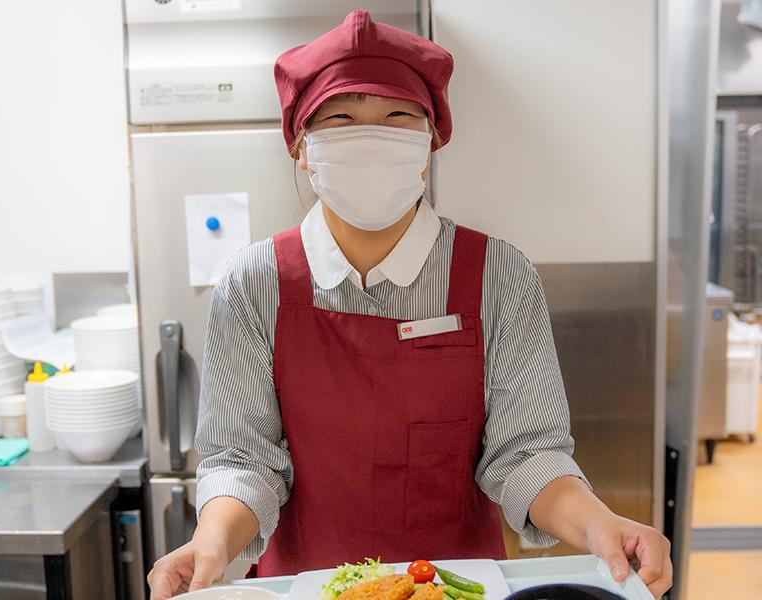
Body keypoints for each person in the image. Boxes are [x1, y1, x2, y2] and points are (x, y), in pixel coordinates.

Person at [148, 9, 672, 599]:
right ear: (302, 147)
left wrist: (601, 525)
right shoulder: (254, 283)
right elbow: (245, 460)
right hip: (308, 588)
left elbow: (526, 454)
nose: (370, 138)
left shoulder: (499, 274)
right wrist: (212, 543)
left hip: (454, 589)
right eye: (341, 118)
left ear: (429, 142)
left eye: (398, 117)